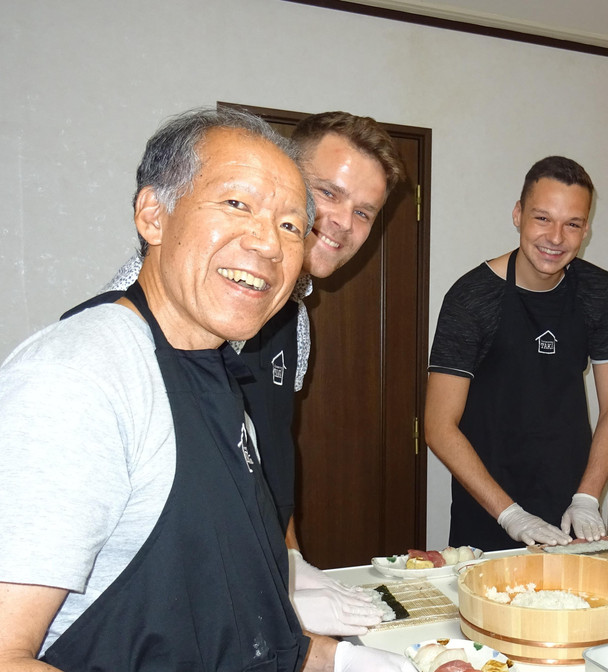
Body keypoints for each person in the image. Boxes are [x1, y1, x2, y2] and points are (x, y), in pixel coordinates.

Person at [0, 107, 428, 672]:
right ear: (153, 214)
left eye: (292, 224)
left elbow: (204, 617)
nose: (268, 242)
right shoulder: (81, 377)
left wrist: (334, 665)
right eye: (237, 204)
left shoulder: (219, 372)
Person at [103, 111, 407, 637]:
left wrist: (289, 560)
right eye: (327, 194)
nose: (339, 221)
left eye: (363, 211)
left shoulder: (293, 315)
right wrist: (265, 593)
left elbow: (261, 451)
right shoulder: (140, 326)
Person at [426, 156, 608, 551]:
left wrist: (588, 497)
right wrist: (511, 515)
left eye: (572, 223)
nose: (556, 237)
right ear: (518, 214)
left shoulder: (599, 293)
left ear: (586, 229)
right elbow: (438, 424)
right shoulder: (471, 298)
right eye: (542, 218)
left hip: (572, 505)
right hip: (489, 508)